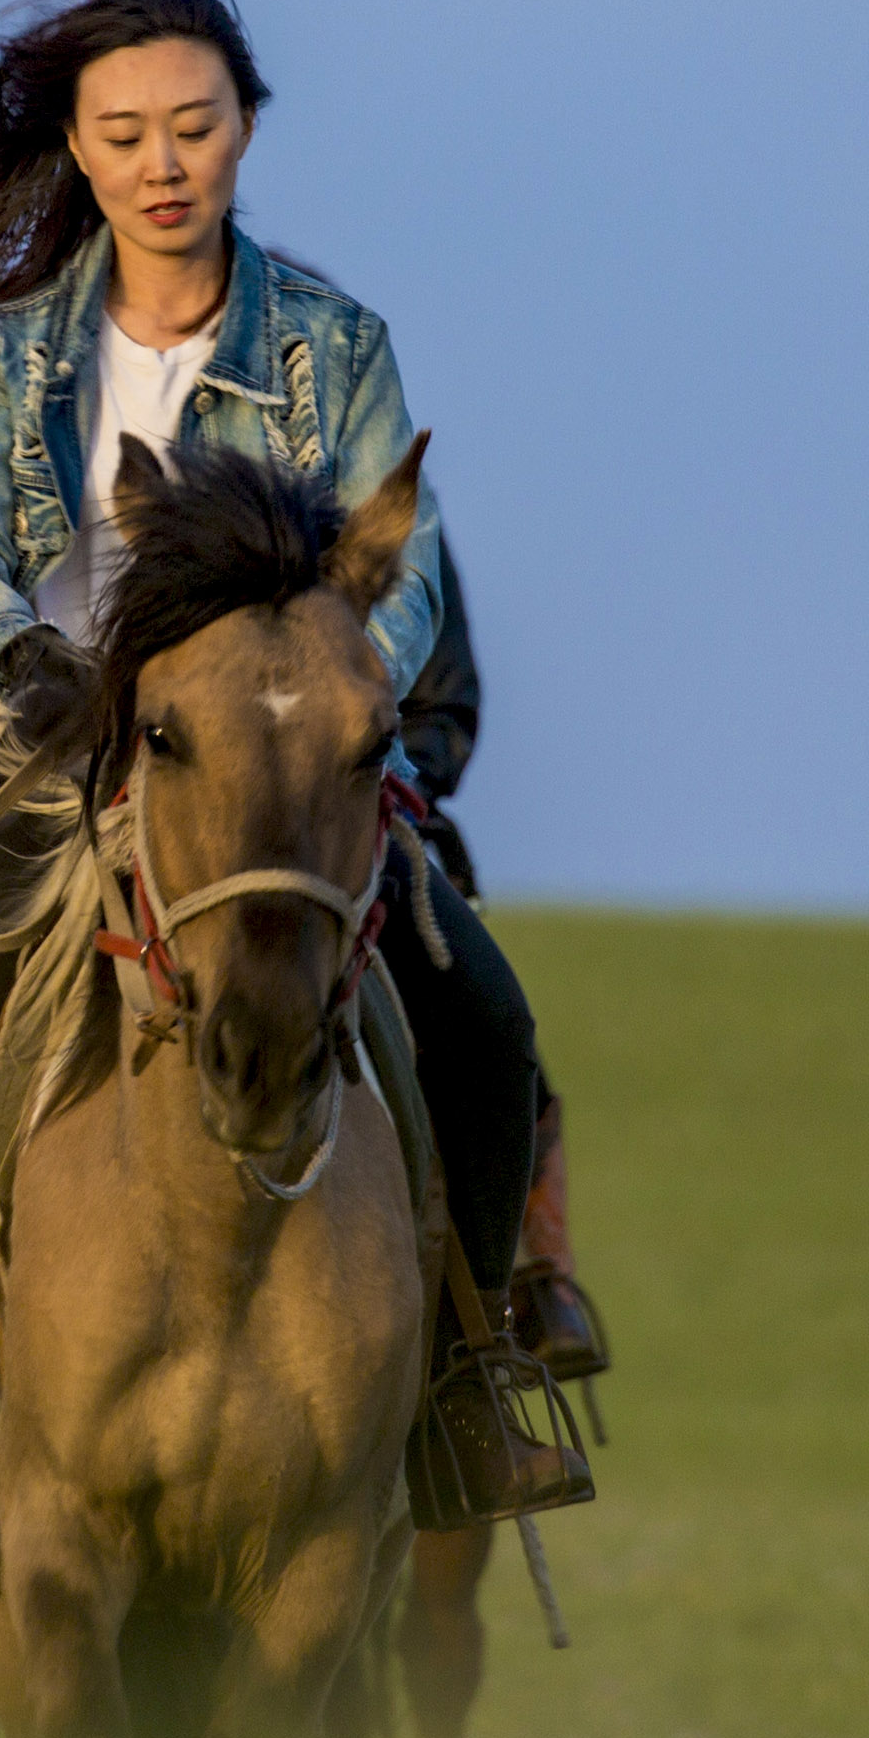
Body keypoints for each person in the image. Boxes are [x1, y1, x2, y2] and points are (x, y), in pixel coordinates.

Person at [0, 0, 587, 1585]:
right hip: (73, 753)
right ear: (75, 148)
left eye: (194, 123)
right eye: (124, 129)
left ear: (245, 126)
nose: (161, 162)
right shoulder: (2, 352)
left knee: (477, 1011)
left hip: (278, 766)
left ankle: (459, 1383)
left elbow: (405, 555)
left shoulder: (333, 344)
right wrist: (16, 654)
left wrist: (342, 657)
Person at [393, 535, 610, 1379]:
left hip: (363, 807)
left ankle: (518, 1299)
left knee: (492, 1027)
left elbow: (448, 707)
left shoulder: (396, 515)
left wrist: (390, 775)